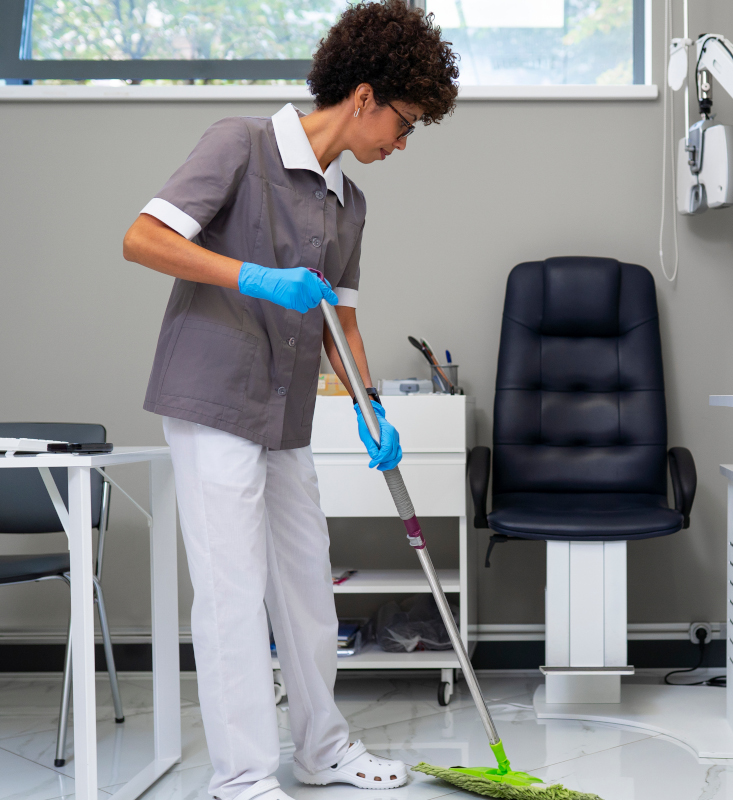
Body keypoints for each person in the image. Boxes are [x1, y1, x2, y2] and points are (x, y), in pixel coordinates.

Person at [121, 4, 458, 799]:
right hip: (212, 399)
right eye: (404, 124)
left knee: (307, 588)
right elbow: (142, 237)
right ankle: (241, 776)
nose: (401, 145)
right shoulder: (240, 143)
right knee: (234, 591)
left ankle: (322, 750)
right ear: (366, 95)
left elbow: (344, 321)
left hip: (286, 412)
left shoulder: (350, 204)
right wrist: (250, 274)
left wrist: (371, 407)